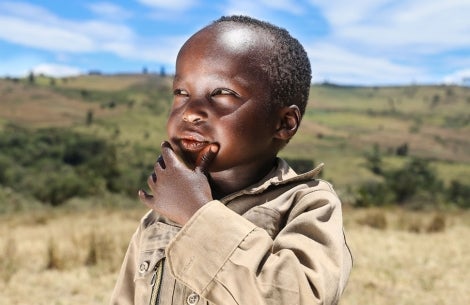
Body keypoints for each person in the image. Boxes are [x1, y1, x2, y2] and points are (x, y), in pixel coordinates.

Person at [110, 15, 352, 305]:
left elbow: (301, 297)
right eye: (181, 92)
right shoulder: (159, 216)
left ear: (284, 122)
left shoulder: (308, 205)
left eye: (222, 93)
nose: (191, 112)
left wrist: (197, 215)